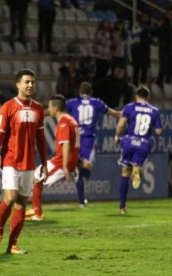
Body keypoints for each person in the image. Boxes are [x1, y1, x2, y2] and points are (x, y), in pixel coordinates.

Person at [0, 69, 48, 255]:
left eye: (33, 82)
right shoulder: (7, 107)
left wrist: (43, 163)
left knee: (21, 203)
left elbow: (41, 139)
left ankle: (12, 245)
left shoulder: (38, 108)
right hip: (11, 161)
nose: (30, 85)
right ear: (18, 84)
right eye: (26, 82)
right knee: (10, 198)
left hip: (29, 163)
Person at [25, 94, 79, 221]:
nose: (48, 110)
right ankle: (36, 210)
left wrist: (65, 166)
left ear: (55, 108)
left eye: (49, 107)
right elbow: (74, 145)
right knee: (37, 178)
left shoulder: (64, 123)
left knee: (36, 178)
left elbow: (66, 145)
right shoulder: (71, 120)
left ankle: (37, 213)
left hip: (61, 161)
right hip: (66, 159)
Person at [66, 82, 120, 207]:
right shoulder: (96, 102)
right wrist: (124, 114)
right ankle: (81, 199)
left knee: (80, 168)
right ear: (91, 92)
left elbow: (59, 109)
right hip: (88, 140)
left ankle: (81, 201)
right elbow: (113, 113)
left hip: (75, 139)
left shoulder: (72, 102)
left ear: (79, 91)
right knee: (87, 167)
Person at [114, 86, 162, 214]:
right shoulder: (154, 110)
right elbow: (158, 131)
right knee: (137, 165)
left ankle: (122, 207)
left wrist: (117, 137)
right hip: (144, 142)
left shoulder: (129, 107)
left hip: (129, 140)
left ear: (136, 96)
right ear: (148, 97)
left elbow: (120, 125)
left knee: (124, 173)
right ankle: (137, 169)